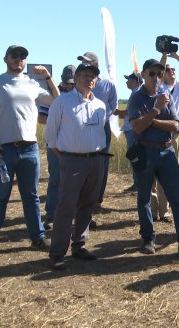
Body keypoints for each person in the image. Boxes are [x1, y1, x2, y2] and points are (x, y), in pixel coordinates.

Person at [0, 45, 60, 258]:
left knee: (31, 196)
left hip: (29, 148)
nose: (19, 59)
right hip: (3, 150)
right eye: (15, 55)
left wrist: (48, 77)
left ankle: (37, 237)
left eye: (23, 56)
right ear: (6, 58)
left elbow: (56, 100)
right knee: (0, 196)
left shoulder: (32, 83)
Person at [127, 58, 179, 257]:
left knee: (177, 198)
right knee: (144, 198)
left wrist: (151, 119)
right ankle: (148, 239)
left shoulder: (165, 95)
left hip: (166, 151)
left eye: (160, 74)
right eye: (152, 73)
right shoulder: (137, 98)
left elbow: (175, 126)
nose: (156, 78)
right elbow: (137, 127)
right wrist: (157, 109)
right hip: (145, 151)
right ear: (143, 75)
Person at [44, 63, 107, 270]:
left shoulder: (100, 105)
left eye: (93, 76)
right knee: (66, 207)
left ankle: (79, 245)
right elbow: (50, 136)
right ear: (77, 78)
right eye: (86, 75)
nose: (90, 79)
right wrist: (66, 157)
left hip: (96, 159)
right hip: (72, 160)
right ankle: (57, 252)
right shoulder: (63, 102)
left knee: (88, 205)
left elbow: (99, 132)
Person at [150, 52, 179, 223]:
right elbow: (157, 74)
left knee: (170, 174)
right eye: (167, 70)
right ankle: (152, 210)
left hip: (177, 135)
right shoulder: (159, 88)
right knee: (153, 174)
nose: (171, 71)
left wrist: (176, 56)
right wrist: (164, 57)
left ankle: (164, 211)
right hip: (159, 134)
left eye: (173, 70)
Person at [77, 52, 118, 218]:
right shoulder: (78, 82)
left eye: (88, 62)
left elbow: (113, 106)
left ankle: (97, 201)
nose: (85, 65)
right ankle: (81, 199)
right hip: (81, 125)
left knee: (101, 164)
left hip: (103, 126)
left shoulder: (108, 84)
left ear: (96, 64)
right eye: (82, 63)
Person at [38, 64, 76, 230]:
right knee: (56, 179)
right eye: (67, 83)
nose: (69, 86)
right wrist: (62, 120)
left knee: (76, 180)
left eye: (72, 83)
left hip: (75, 145)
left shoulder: (80, 95)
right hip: (56, 144)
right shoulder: (53, 95)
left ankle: (76, 215)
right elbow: (41, 118)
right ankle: (51, 215)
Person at [119, 72, 143, 193]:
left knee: (134, 156)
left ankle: (138, 184)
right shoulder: (136, 93)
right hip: (131, 129)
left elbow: (130, 112)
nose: (126, 82)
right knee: (134, 156)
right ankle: (137, 183)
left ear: (135, 81)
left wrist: (118, 112)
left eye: (128, 79)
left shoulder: (136, 93)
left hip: (132, 130)